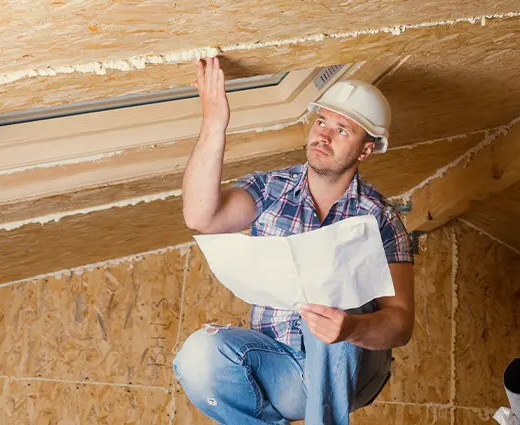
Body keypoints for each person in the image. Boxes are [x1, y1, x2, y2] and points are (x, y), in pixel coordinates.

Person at [172, 57, 415, 425]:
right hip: (281, 367)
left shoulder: (380, 219)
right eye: (321, 122)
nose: (324, 135)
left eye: (342, 130)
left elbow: (400, 324)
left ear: (365, 150)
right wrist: (214, 122)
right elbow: (201, 217)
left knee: (330, 290)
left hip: (351, 370)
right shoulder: (272, 189)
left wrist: (351, 328)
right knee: (198, 355)